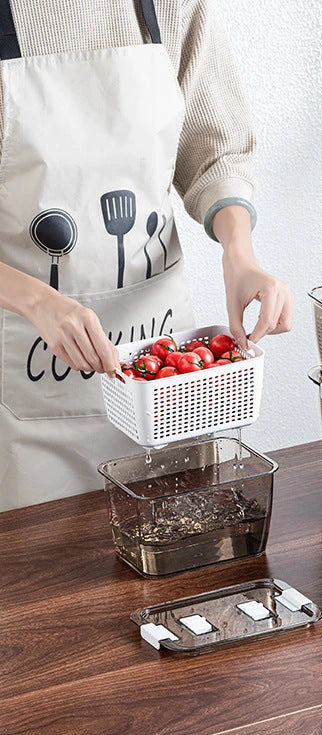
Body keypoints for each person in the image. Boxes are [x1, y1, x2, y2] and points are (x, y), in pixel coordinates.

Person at [0, 0, 292, 512]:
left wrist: (239, 255)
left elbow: (214, 150)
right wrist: (39, 300)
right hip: (32, 399)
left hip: (167, 381)